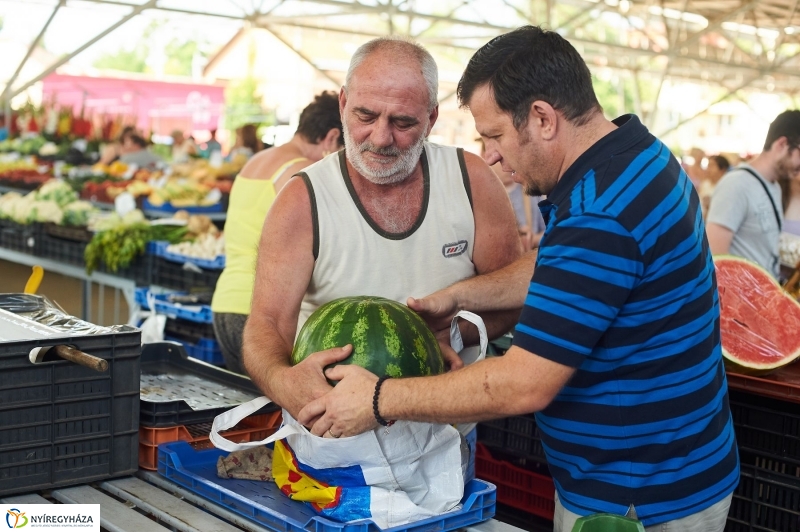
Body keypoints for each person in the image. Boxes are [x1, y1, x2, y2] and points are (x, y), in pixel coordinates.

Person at [297, 26, 739, 531]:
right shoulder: (636, 156)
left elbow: (524, 386)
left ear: (543, 118)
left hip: (637, 495)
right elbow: (561, 266)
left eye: (495, 135)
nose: (490, 156)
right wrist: (458, 296)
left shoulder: (600, 215)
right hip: (680, 463)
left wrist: (379, 399)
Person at [241, 36, 521, 423]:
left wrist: (451, 335)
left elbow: (510, 297)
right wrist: (281, 379)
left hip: (441, 437)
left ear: (432, 119)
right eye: (365, 116)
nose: (381, 138)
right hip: (334, 441)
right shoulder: (302, 200)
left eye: (403, 122)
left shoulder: (471, 180)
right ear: (343, 104)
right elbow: (267, 324)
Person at [211, 92, 344, 374]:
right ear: (332, 137)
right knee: (272, 413)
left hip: (225, 302)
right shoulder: (302, 173)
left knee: (248, 413)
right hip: (263, 315)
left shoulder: (256, 160)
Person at [707, 110, 800, 277]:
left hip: (763, 298)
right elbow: (715, 260)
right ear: (782, 144)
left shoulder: (775, 187)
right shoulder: (736, 184)